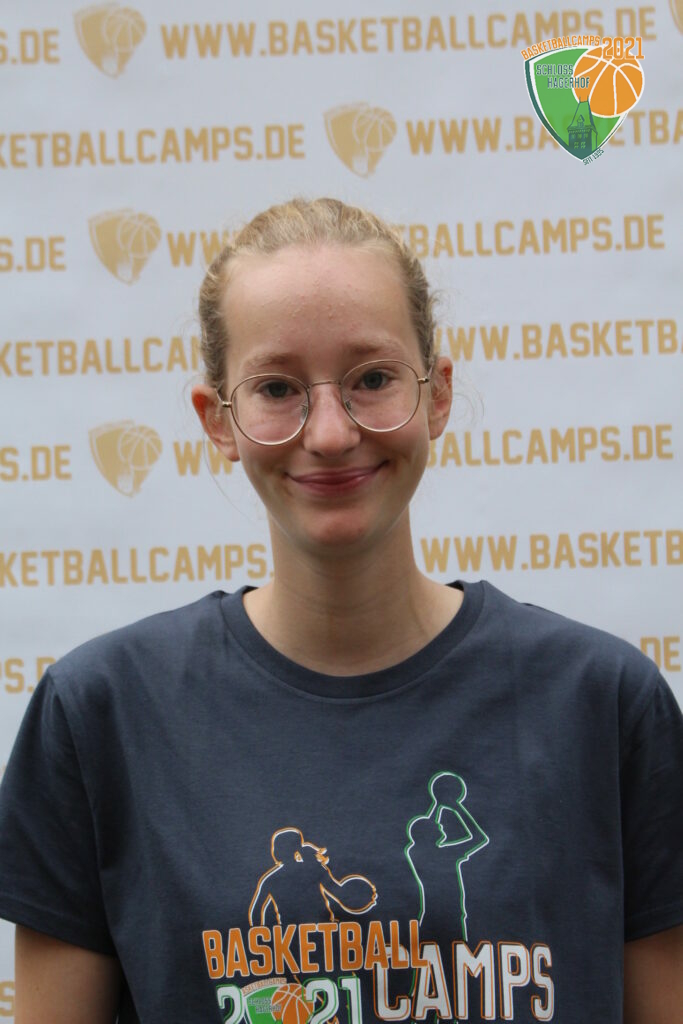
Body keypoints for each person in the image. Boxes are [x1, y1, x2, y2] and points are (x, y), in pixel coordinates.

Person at [0, 197, 681, 1024]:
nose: (328, 433)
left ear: (437, 395)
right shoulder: (99, 715)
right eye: (276, 388)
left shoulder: (603, 704)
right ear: (218, 421)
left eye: (372, 379)